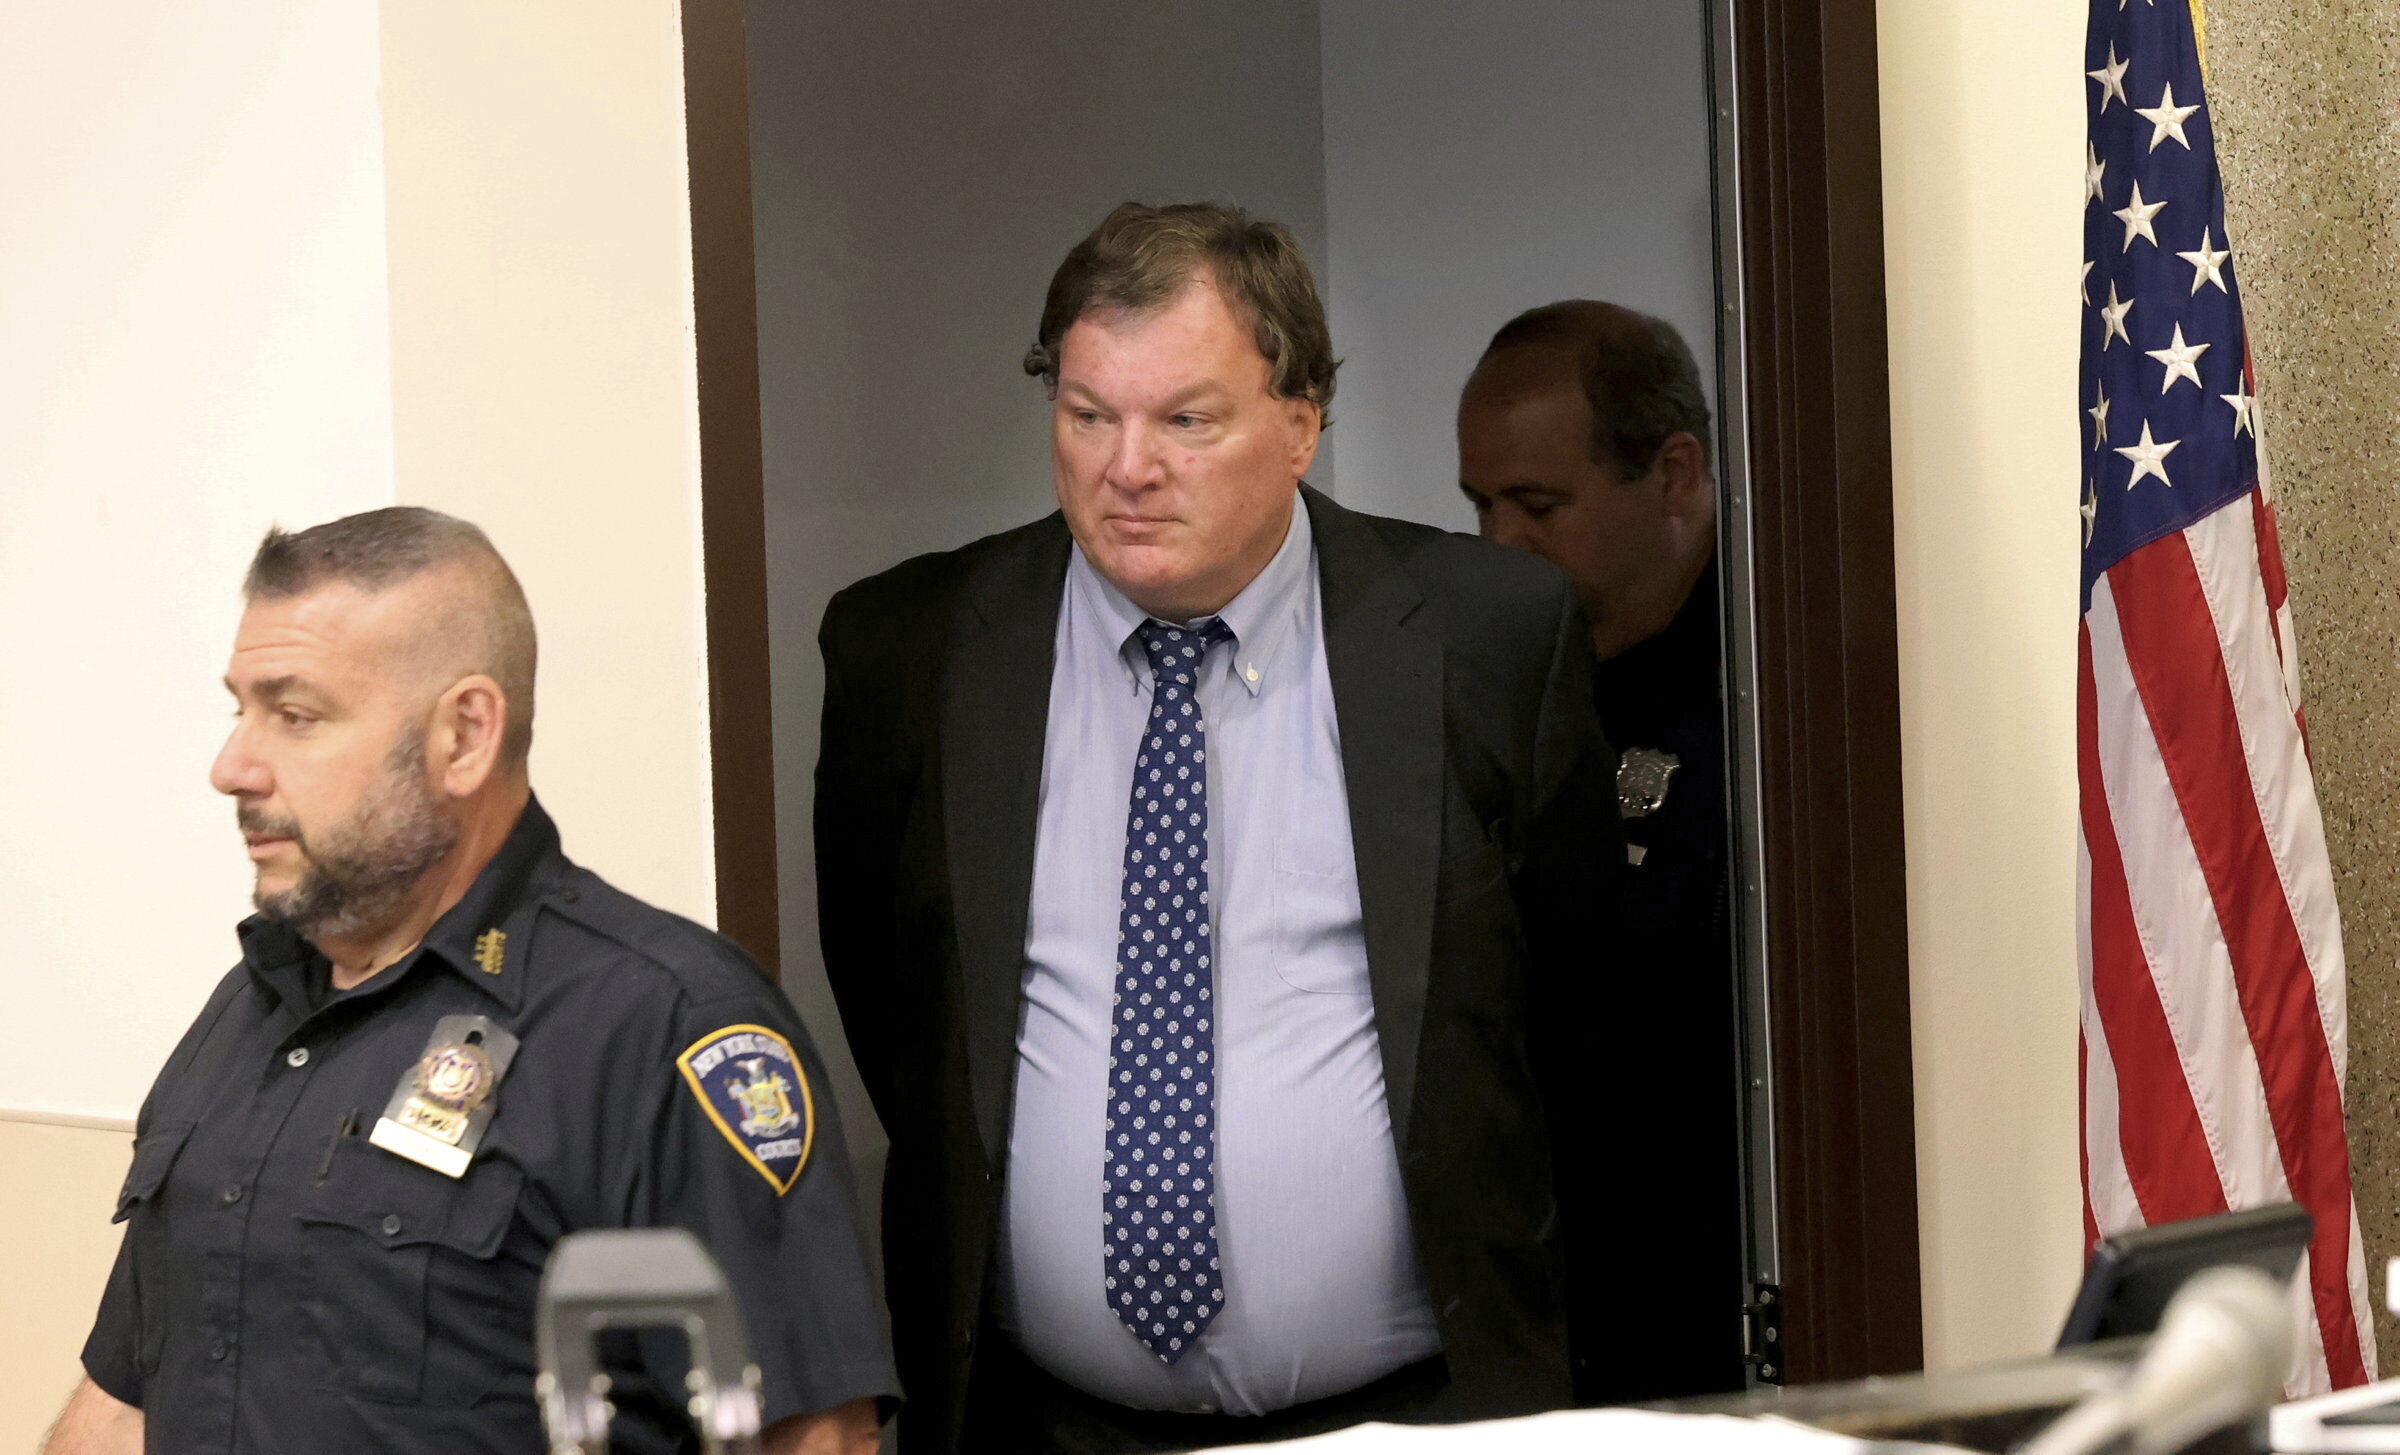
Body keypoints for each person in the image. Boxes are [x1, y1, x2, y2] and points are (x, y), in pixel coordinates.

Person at [814, 202, 1622, 1454]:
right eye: (1088, 415)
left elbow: (1577, 1024)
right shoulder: (909, 651)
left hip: (1419, 1414)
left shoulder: (1489, 635)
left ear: (1301, 422)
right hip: (1037, 1421)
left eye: (1186, 419)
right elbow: (900, 1013)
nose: (1127, 466)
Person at [43, 508, 896, 1455]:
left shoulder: (662, 1026)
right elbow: (123, 1399)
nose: (232, 764)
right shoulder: (252, 1007)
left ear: (463, 735)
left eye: (294, 714)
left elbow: (811, 1434)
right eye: (238, 708)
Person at [1457, 299, 1749, 1401]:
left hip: (1715, 1302)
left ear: (1674, 475)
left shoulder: (1782, 672)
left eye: (1538, 505)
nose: (1501, 546)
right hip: (1549, 1310)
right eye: (1481, 505)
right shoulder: (1492, 675)